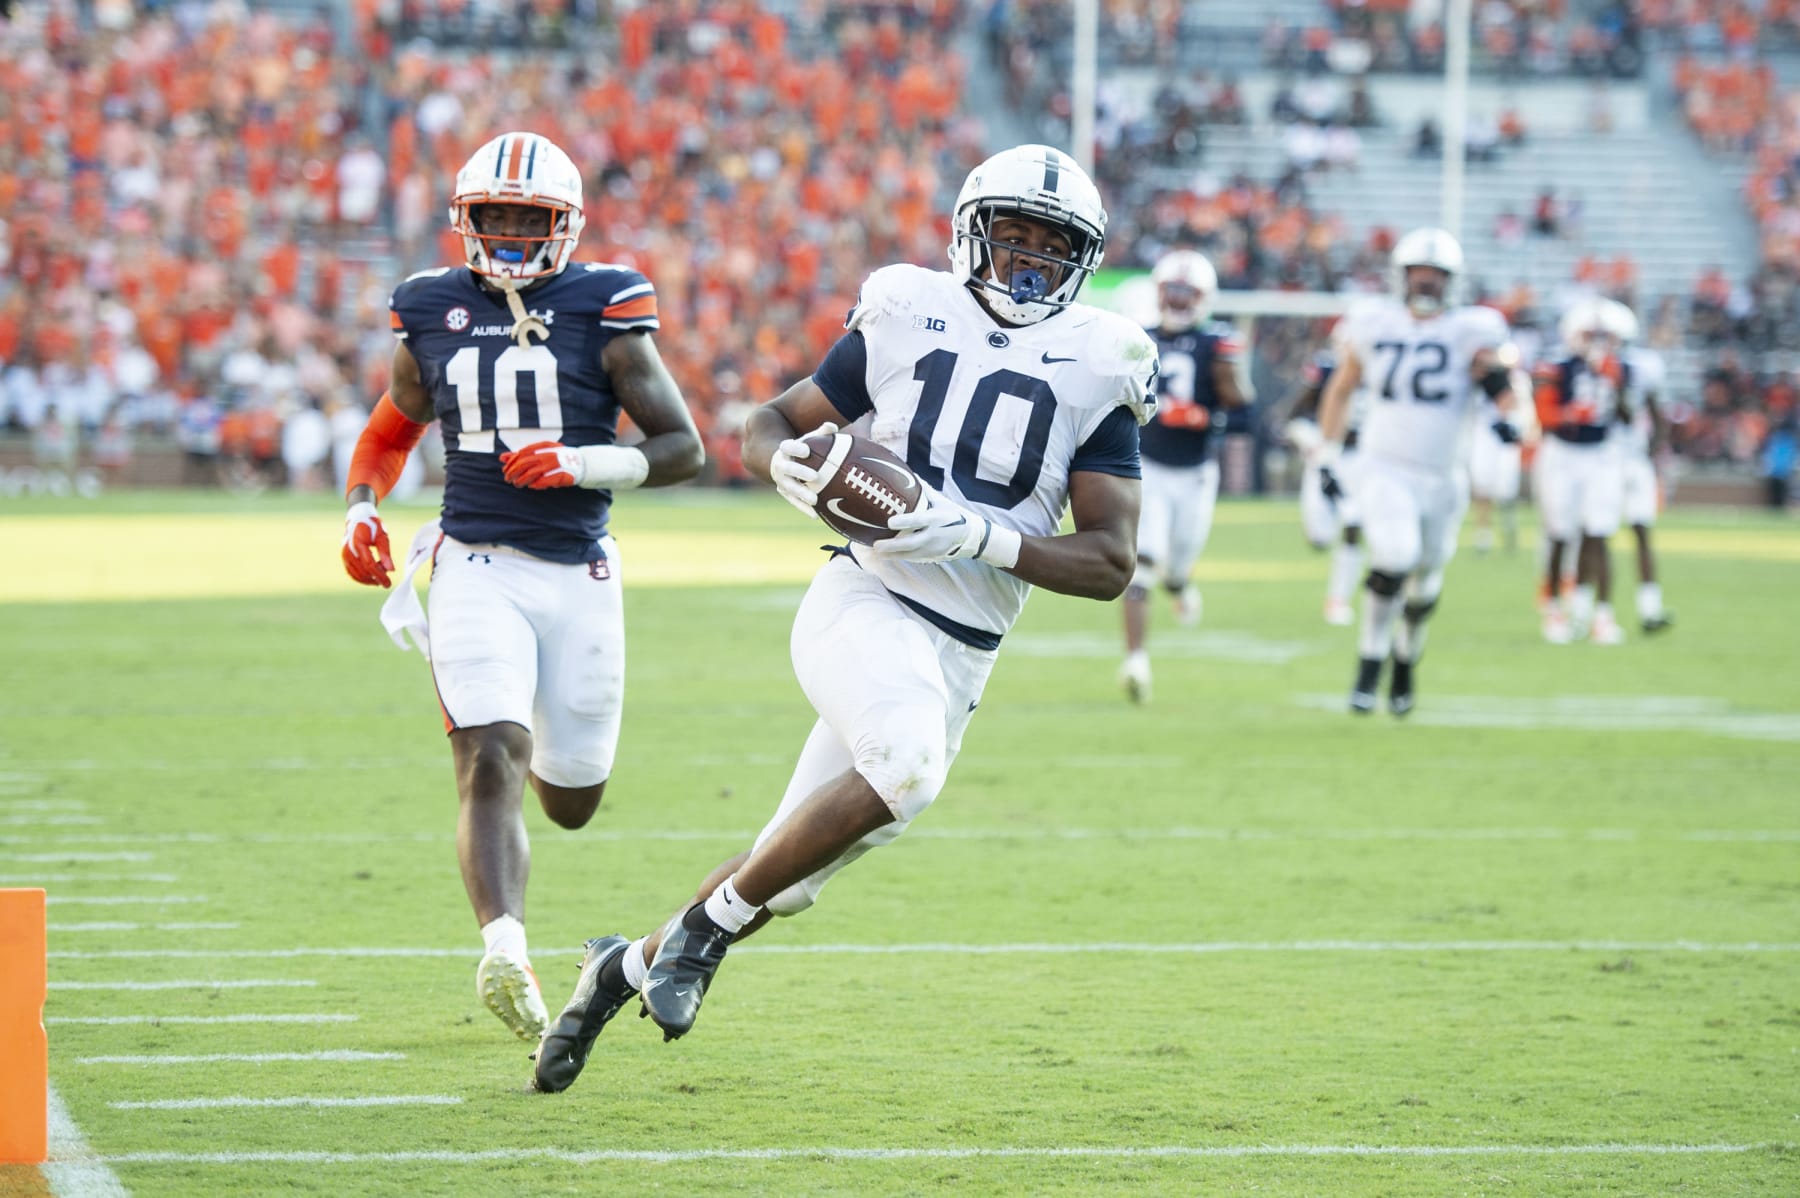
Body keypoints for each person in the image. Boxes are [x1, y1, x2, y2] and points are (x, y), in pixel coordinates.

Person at [533, 144, 1157, 1092]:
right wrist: (780, 463)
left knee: (785, 878)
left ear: (1083, 258)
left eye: (1053, 244)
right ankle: (703, 936)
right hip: (864, 598)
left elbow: (1111, 562)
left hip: (962, 654)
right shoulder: (909, 308)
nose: (1031, 258)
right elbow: (769, 423)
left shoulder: (1105, 360)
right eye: (1014, 234)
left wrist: (975, 536)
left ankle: (619, 969)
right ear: (971, 233)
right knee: (906, 766)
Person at [337, 131, 704, 1043]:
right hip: (473, 563)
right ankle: (505, 946)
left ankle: (527, 720)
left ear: (563, 224)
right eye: (492, 215)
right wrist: (359, 506)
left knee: (571, 801)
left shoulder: (605, 305)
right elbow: (390, 431)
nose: (505, 233)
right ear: (466, 218)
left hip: (580, 571)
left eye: (525, 218)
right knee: (490, 752)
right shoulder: (430, 306)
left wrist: (582, 462)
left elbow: (683, 449)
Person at [1316, 227, 1518, 715]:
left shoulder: (1473, 330)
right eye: (1418, 273)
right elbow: (1342, 388)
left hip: (1444, 475)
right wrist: (1327, 453)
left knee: (1426, 578)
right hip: (1384, 466)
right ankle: (1370, 661)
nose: (1426, 282)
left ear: (1451, 280)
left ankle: (1406, 657)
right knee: (1394, 555)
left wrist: (1512, 414)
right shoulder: (1373, 323)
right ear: (1401, 276)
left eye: (1436, 274)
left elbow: (1503, 385)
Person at [1117, 249, 1249, 703]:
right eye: (1171, 290)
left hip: (1195, 474)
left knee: (1174, 571)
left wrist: (1205, 417)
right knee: (1143, 564)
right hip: (1147, 466)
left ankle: (1181, 584)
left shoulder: (1217, 343)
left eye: (1186, 292)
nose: (1176, 299)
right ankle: (1136, 661)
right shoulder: (1139, 338)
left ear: (1203, 297)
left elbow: (1243, 412)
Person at [1534, 298, 1630, 645]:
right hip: (1563, 454)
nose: (1597, 342)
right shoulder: (1557, 368)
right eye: (1591, 335)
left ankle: (1601, 615)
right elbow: (1544, 417)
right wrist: (1569, 414)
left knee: (1600, 532)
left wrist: (1614, 383)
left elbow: (1627, 416)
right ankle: (1553, 608)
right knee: (1559, 532)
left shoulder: (1619, 369)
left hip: (1601, 454)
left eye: (1603, 335)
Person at [1284, 343, 1367, 626]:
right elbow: (1295, 415)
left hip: (1364, 461)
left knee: (1354, 524)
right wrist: (1314, 445)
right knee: (1320, 537)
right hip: (1328, 455)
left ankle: (1338, 599)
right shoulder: (1328, 367)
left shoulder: (1386, 370)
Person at [1610, 299, 1674, 633]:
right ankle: (1589, 609)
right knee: (1594, 537)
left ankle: (1650, 607)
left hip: (1633, 459)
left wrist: (1652, 450)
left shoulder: (1640, 366)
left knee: (1643, 532)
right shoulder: (1593, 368)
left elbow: (1655, 412)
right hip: (1600, 460)